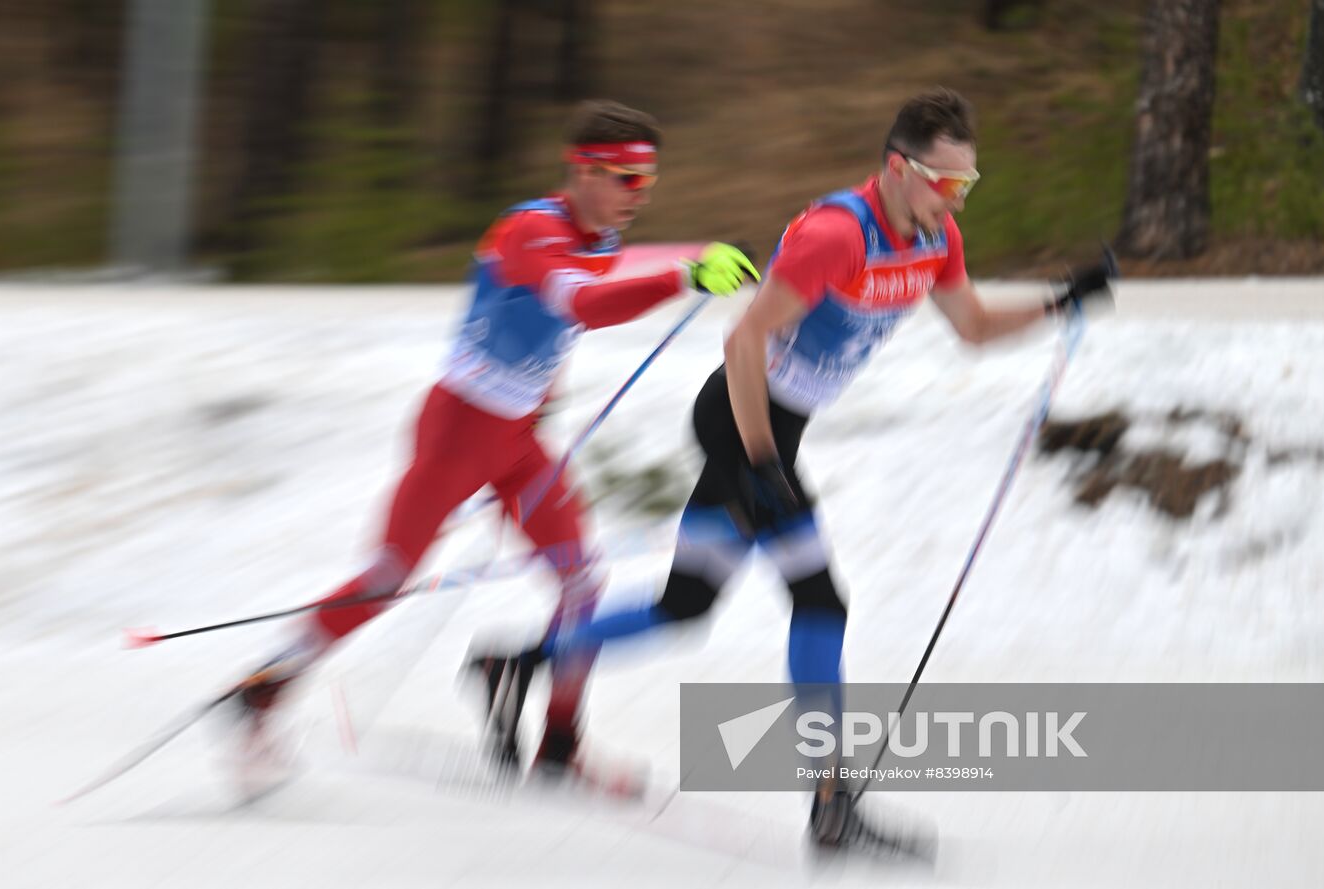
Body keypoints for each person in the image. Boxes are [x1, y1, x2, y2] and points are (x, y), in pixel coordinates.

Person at [472, 87, 1115, 848]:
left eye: (966, 185)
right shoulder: (837, 234)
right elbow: (743, 342)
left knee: (686, 604)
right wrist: (759, 461)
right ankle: (831, 802)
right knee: (821, 600)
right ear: (897, 168)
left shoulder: (935, 240)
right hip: (742, 422)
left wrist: (1060, 301)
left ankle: (516, 660)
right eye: (946, 184)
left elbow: (971, 326)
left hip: (777, 432)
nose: (957, 201)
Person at [233, 99, 760, 777]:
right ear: (584, 170)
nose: (640, 195)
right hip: (457, 431)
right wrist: (686, 275)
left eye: (649, 182)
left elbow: (615, 267)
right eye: (627, 180)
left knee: (582, 583)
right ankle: (261, 691)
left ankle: (561, 745)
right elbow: (584, 305)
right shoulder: (529, 231)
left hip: (516, 441)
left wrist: (700, 252)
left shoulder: (595, 236)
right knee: (388, 577)